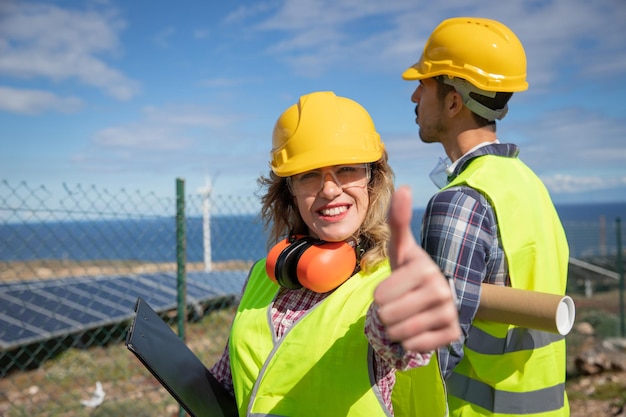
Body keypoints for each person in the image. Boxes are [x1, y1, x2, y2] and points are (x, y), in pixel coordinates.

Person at [209, 91, 460, 416]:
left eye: (347, 170)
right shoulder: (262, 275)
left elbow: (403, 347)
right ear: (289, 192)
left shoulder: (391, 282)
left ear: (372, 180)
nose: (329, 189)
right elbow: (232, 376)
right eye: (309, 175)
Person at [401, 17, 570, 416]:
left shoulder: (460, 200)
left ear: (454, 101)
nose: (413, 97)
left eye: (423, 84)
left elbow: (434, 352)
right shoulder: (529, 184)